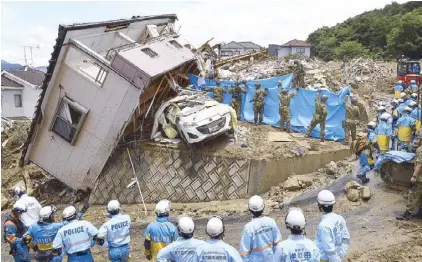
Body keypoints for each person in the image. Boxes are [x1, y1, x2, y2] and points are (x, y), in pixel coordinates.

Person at [239, 195, 281, 262]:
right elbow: (277, 244)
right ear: (263, 207)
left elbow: (245, 252)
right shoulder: (271, 221)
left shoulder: (248, 228)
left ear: (250, 210)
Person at [315, 190, 350, 262]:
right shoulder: (340, 218)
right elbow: (346, 238)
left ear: (319, 206)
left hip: (325, 259)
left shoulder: (323, 226)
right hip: (338, 255)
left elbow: (329, 249)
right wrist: (341, 254)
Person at [397, 128, 422, 220]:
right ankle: (420, 212)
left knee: (413, 194)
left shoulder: (420, 149)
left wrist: (414, 177)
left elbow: (419, 164)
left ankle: (408, 214)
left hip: (420, 178)